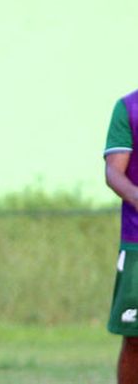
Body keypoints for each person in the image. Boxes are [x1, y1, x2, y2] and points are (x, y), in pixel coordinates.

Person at [104, 89, 138, 384]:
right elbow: (114, 172)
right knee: (136, 338)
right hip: (137, 240)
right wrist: (136, 196)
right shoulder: (128, 107)